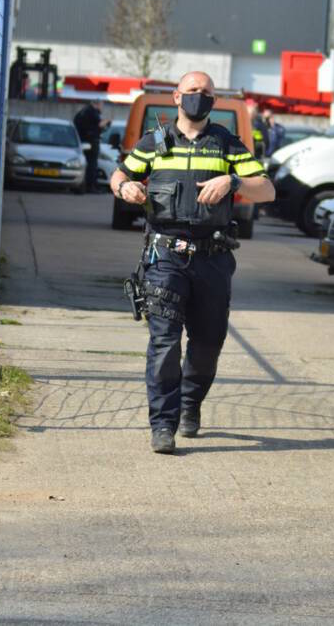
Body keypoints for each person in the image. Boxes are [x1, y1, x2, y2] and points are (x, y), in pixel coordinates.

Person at [110, 71, 274, 454]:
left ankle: (189, 404)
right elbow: (119, 175)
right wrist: (125, 187)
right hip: (165, 257)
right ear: (176, 97)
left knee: (208, 342)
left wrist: (233, 182)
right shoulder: (154, 143)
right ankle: (162, 424)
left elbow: (267, 189)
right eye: (192, 91)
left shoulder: (227, 145)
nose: (199, 96)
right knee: (164, 342)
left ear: (214, 100)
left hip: (212, 259)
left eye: (206, 92)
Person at [74, 100, 109, 194]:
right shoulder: (92, 112)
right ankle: (91, 186)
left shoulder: (83, 112)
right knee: (92, 165)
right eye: (101, 105)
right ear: (97, 104)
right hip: (91, 142)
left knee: (88, 164)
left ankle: (87, 185)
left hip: (83, 141)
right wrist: (106, 122)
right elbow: (99, 125)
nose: (102, 107)